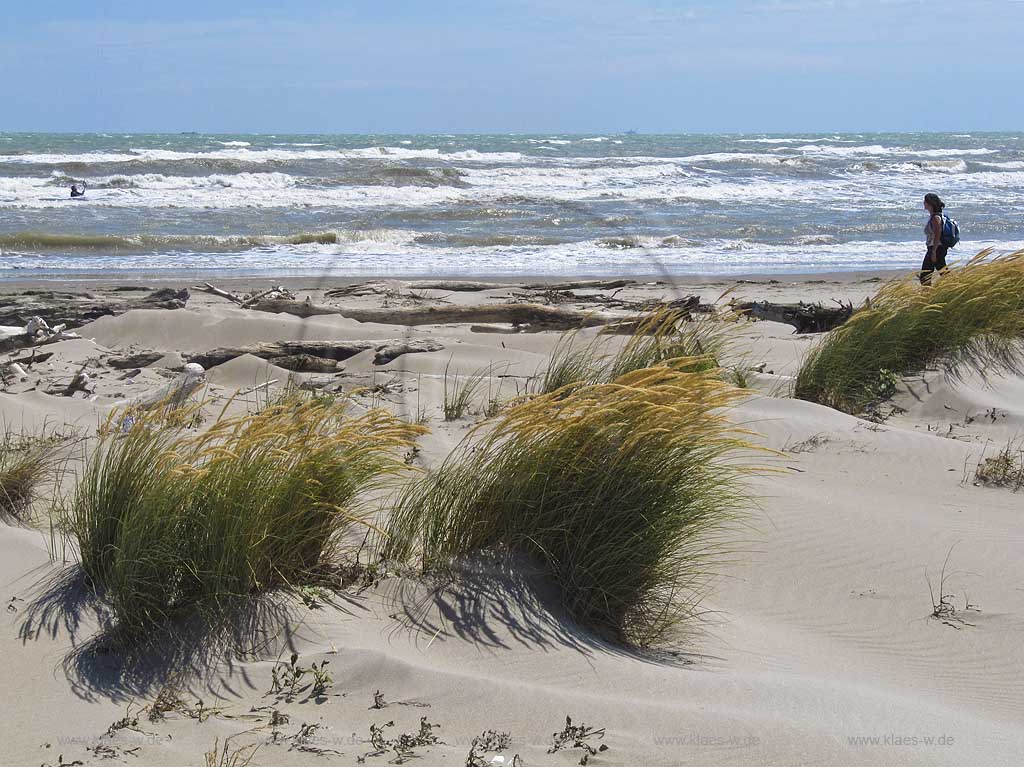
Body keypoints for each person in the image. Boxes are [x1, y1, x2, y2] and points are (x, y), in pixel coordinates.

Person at [920, 192, 947, 285]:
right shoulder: (935, 216)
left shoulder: (936, 217)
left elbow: (937, 234)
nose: (924, 203)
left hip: (936, 248)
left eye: (925, 201)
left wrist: (934, 252)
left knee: (925, 276)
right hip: (936, 248)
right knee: (944, 273)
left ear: (930, 203)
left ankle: (926, 297)